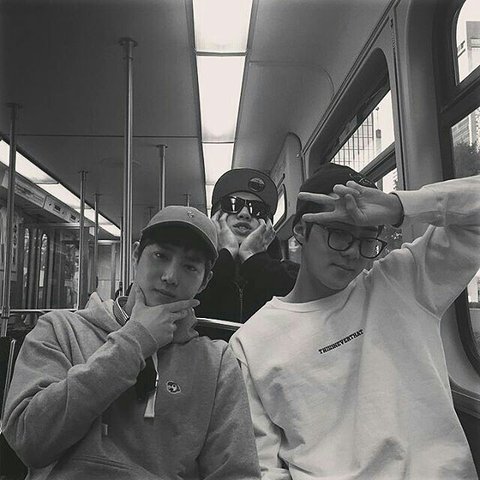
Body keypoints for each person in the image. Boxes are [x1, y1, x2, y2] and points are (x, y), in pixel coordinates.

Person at [229, 162, 480, 479]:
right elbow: (261, 466)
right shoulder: (251, 343)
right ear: (301, 231)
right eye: (339, 233)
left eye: (367, 239)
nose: (353, 252)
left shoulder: (404, 283)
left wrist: (398, 206)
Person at [3, 206, 261, 480]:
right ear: (136, 255)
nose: (170, 277)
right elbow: (28, 442)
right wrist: (135, 340)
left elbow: (236, 472)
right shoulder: (62, 329)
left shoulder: (216, 363)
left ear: (204, 281)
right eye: (160, 256)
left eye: (190, 267)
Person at [195, 168, 298, 326]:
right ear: (216, 218)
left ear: (267, 226)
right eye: (233, 204)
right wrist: (225, 255)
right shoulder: (192, 269)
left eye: (257, 209)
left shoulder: (291, 274)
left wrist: (254, 259)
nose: (244, 214)